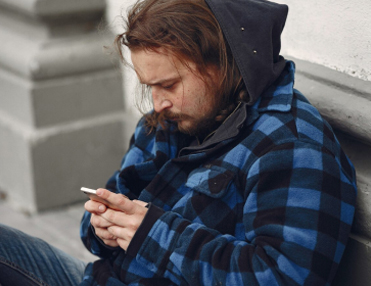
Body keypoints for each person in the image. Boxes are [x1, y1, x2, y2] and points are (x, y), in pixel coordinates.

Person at [0, 0, 357, 285]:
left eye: (168, 85)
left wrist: (150, 233)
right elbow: (104, 214)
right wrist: (101, 226)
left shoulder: (293, 147)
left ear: (224, 65)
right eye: (148, 86)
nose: (156, 103)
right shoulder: (168, 120)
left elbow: (281, 277)